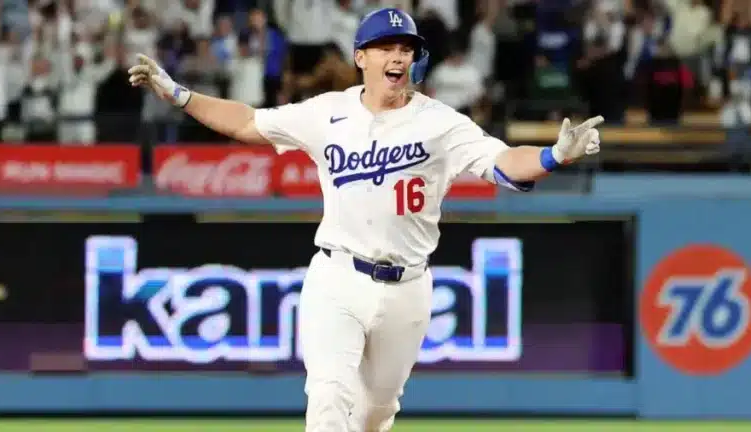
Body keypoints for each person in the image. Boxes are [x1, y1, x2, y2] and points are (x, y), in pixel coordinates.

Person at [127, 8, 602, 432]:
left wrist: (554, 155)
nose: (397, 57)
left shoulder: (440, 123)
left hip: (407, 289)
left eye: (405, 49)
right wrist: (179, 94)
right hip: (338, 277)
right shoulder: (327, 112)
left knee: (375, 414)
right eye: (385, 48)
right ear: (361, 57)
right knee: (329, 399)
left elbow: (502, 162)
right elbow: (248, 121)